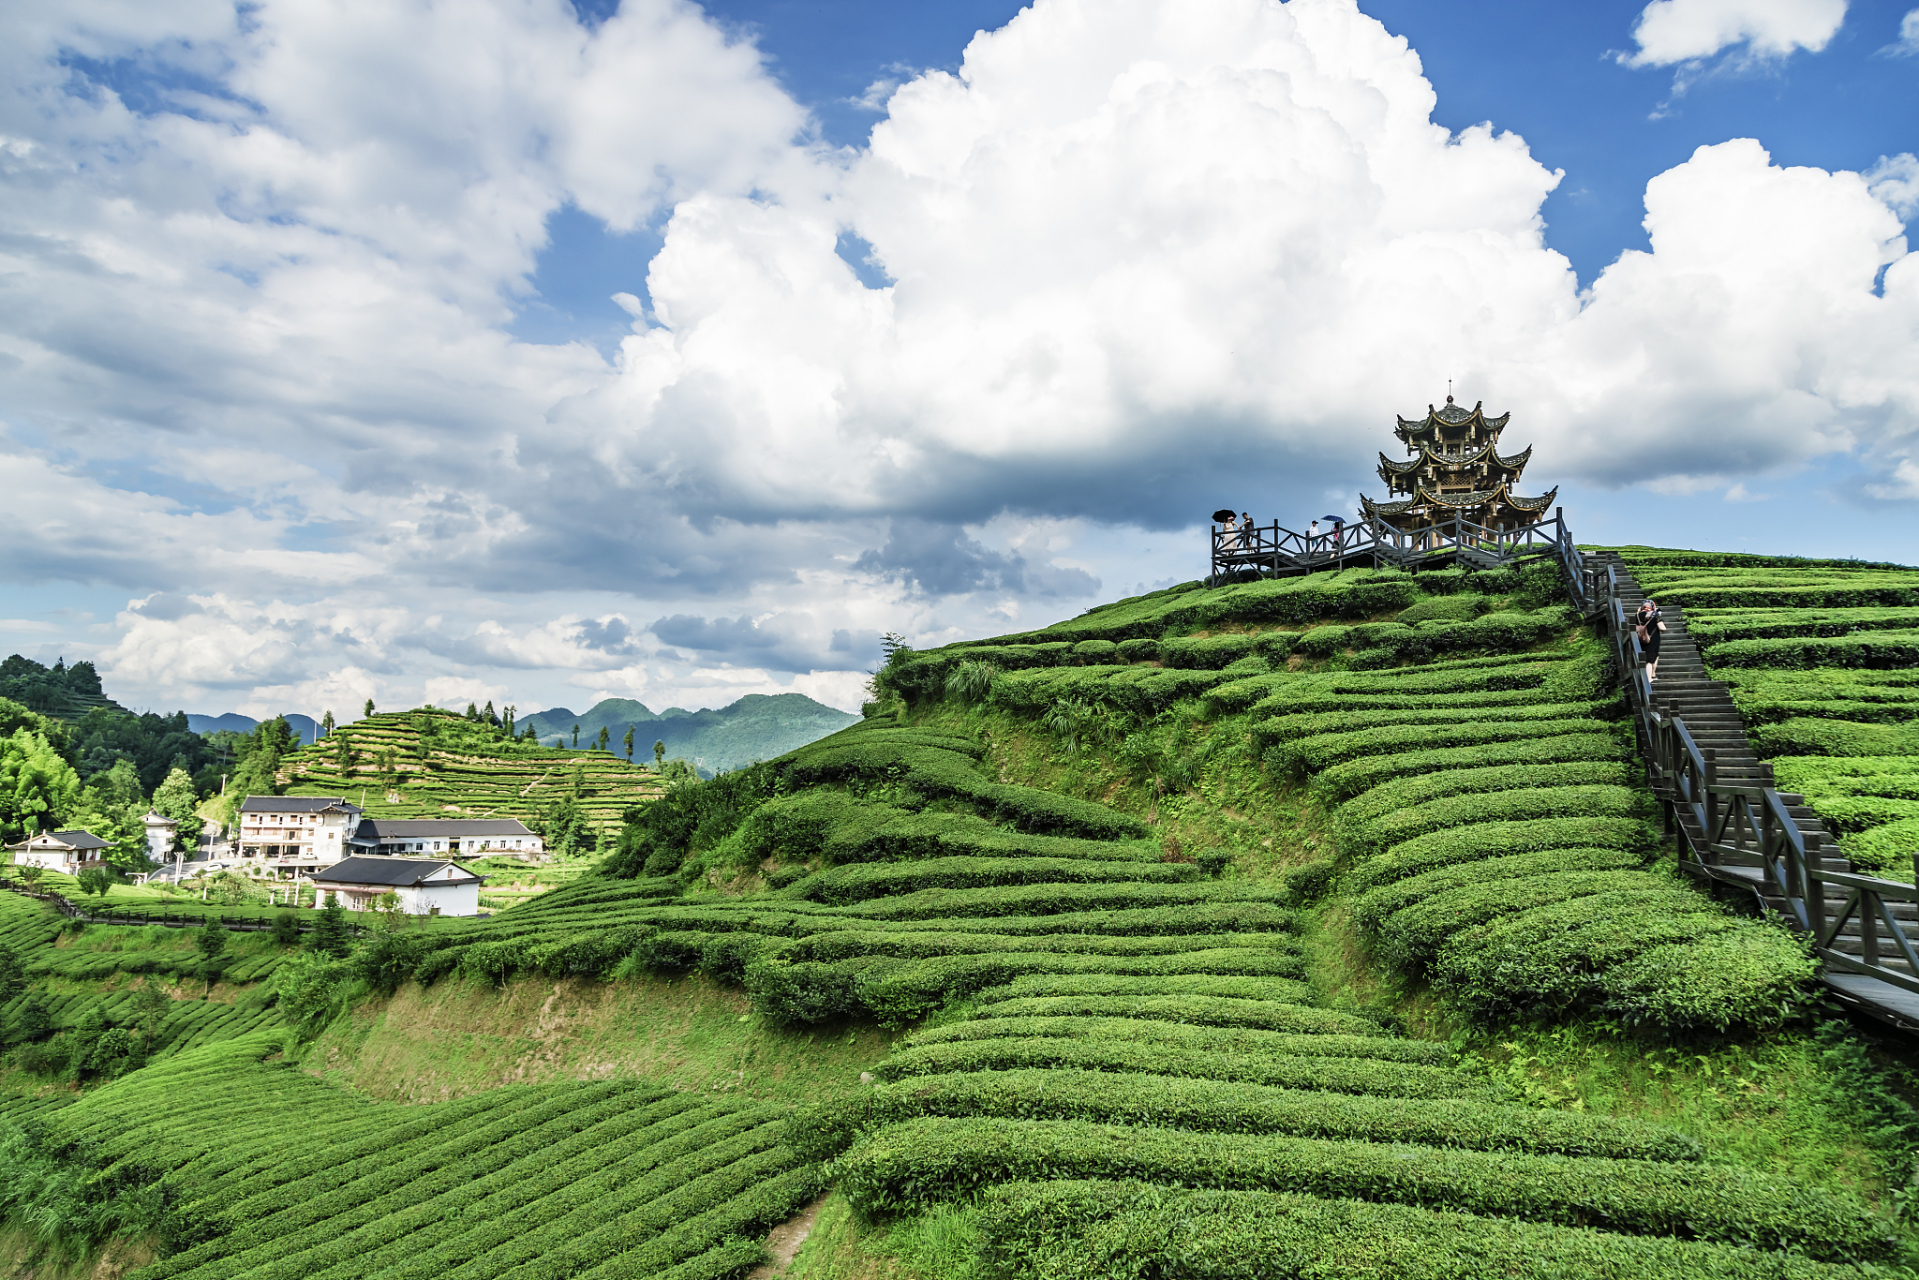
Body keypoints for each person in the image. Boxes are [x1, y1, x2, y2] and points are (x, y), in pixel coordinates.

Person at [1635, 599, 1666, 682]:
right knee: (1651, 658)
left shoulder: (1637, 616)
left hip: (1640, 639)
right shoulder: (1655, 615)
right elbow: (1662, 628)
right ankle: (1651, 676)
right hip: (1653, 640)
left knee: (1645, 657)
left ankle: (1650, 675)